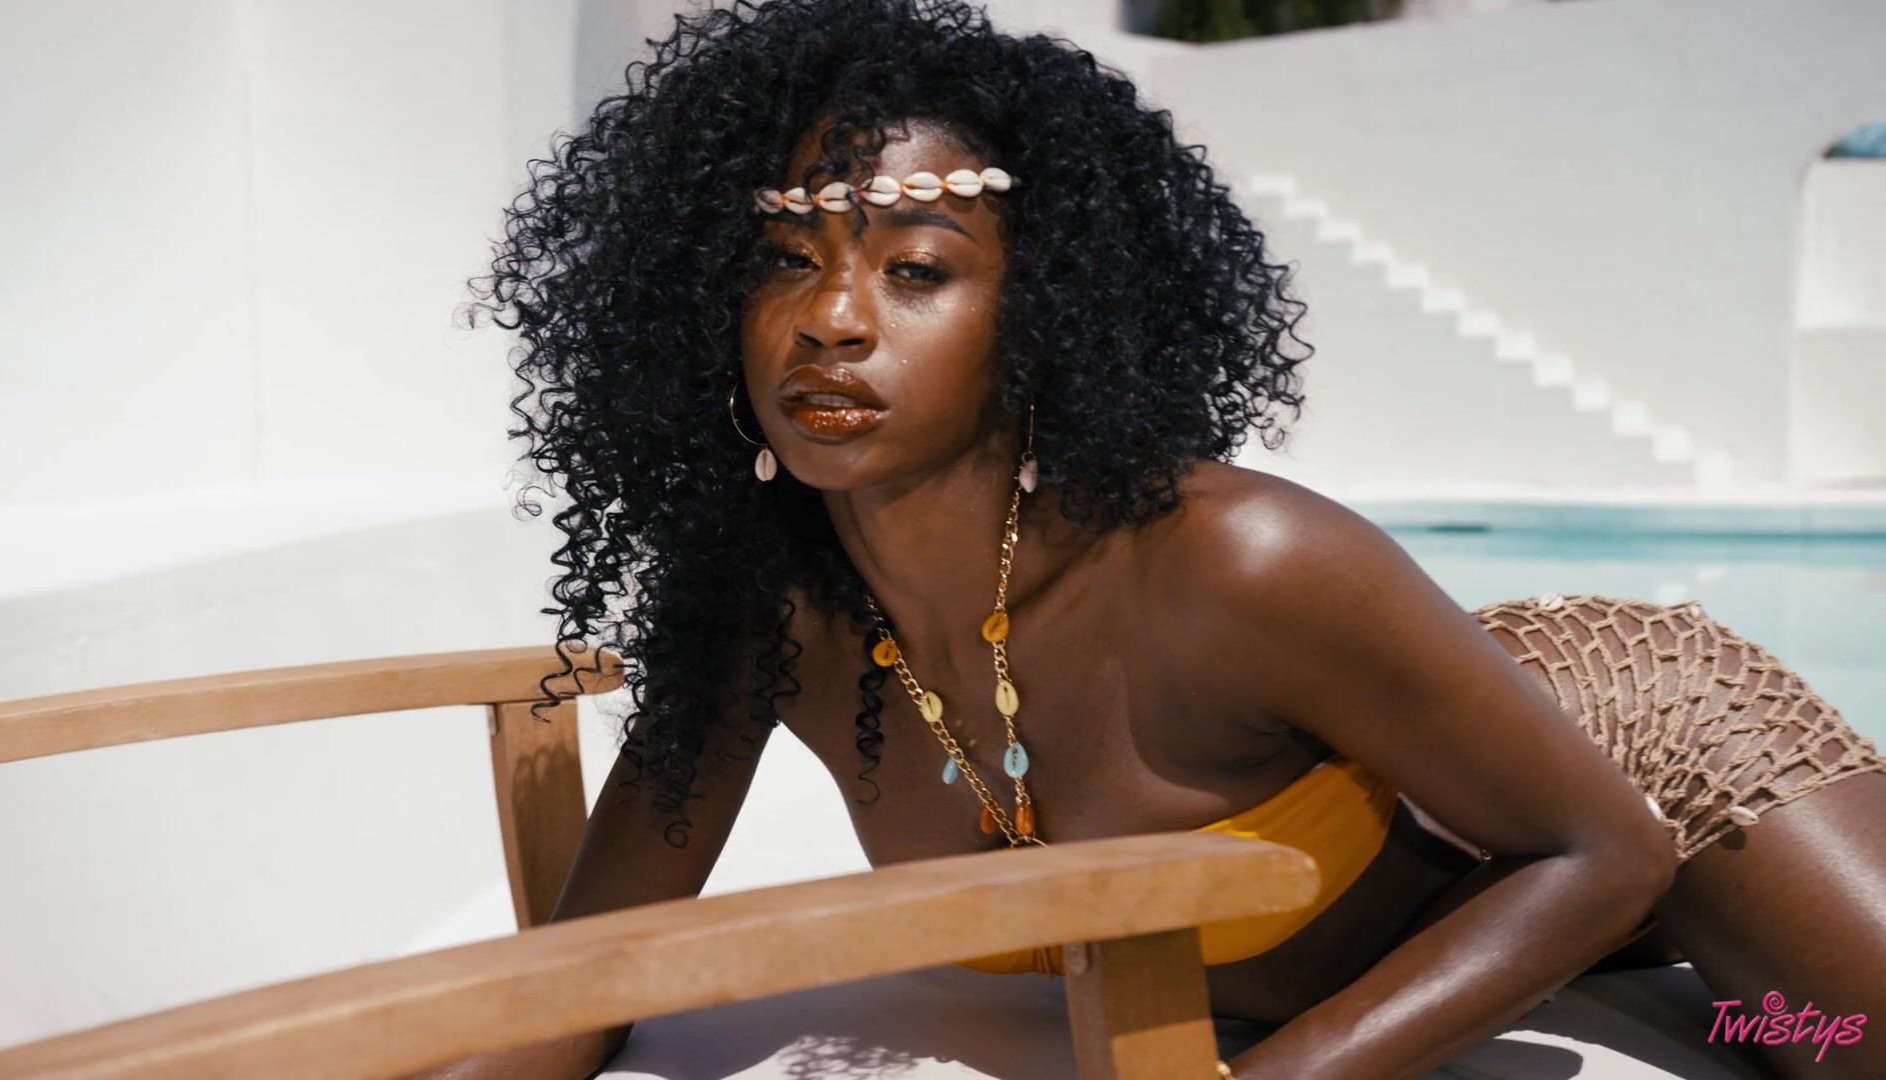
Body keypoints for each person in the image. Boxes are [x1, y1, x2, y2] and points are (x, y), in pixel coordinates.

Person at [422, 1, 1886, 1076]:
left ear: (1044, 313)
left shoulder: (1234, 559)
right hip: (1467, 859)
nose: (834, 319)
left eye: (918, 270)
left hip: (1649, 761)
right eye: (782, 261)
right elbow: (586, 978)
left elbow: (1601, 848)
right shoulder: (767, 612)